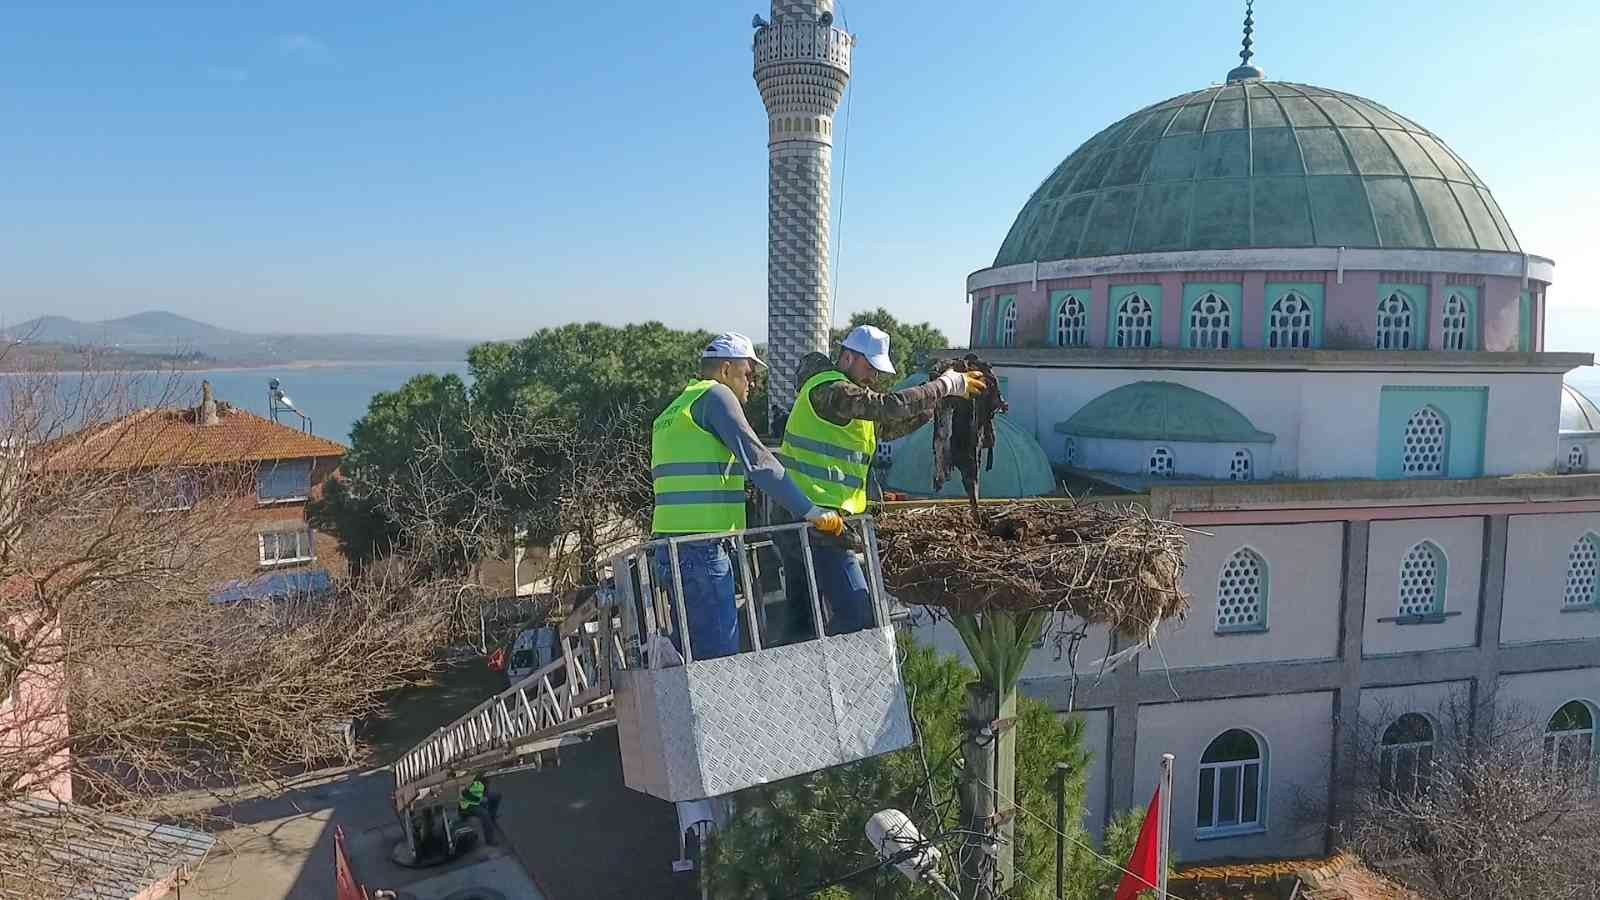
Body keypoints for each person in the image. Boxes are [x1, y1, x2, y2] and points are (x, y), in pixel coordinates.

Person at [776, 325, 986, 637]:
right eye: (870, 367)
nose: (874, 376)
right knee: (859, 614)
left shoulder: (844, 403)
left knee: (804, 622)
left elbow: (886, 427)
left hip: (812, 518)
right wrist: (944, 385)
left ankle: (803, 674)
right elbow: (886, 408)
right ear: (847, 357)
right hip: (817, 521)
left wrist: (934, 407)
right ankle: (834, 671)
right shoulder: (831, 390)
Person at [650, 332, 846, 660]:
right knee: (718, 659)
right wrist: (811, 510)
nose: (751, 384)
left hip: (669, 549)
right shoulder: (717, 396)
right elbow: (759, 463)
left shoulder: (675, 408)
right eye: (748, 374)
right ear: (726, 369)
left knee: (692, 655)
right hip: (702, 549)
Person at [459, 774, 500, 846]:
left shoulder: (482, 784)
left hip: (477, 800)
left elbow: (483, 793)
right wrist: (480, 800)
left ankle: (492, 817)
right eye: (487, 783)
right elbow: (464, 794)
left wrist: (484, 797)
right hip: (467, 806)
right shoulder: (468, 781)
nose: (489, 784)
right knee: (485, 815)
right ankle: (489, 840)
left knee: (496, 796)